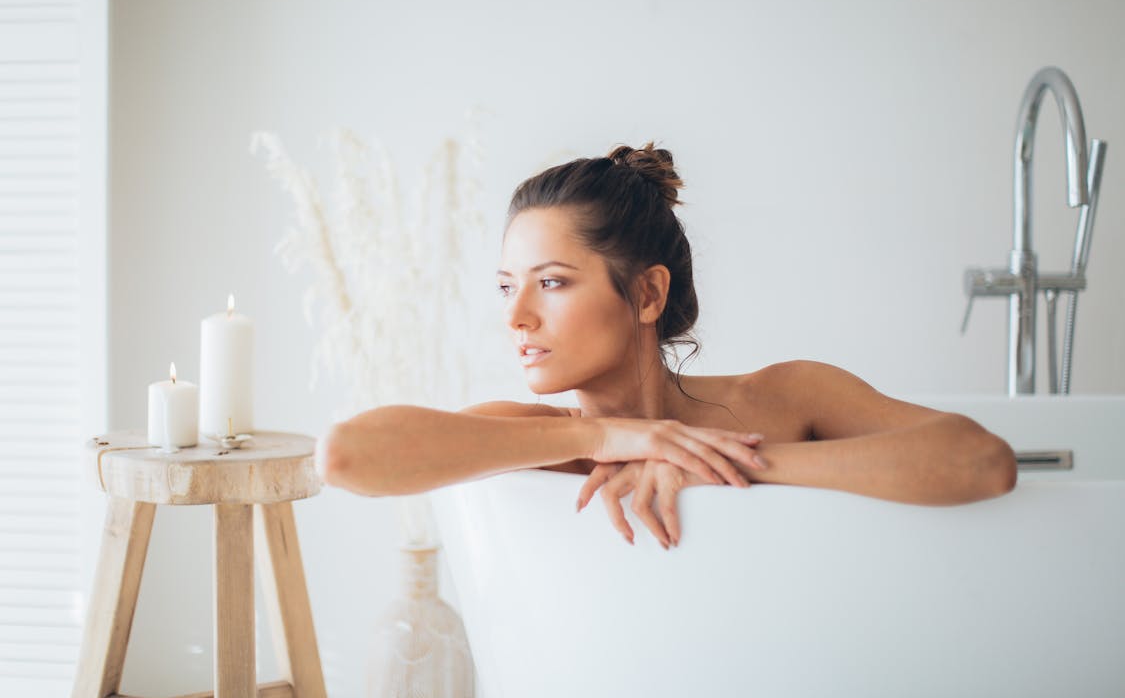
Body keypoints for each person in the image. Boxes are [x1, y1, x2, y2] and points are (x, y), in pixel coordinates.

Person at [316, 142, 1017, 550]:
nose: (517, 317)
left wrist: (710, 461)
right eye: (506, 287)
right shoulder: (545, 436)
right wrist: (614, 436)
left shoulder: (788, 395)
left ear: (646, 295)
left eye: (552, 283)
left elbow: (979, 462)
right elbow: (348, 456)